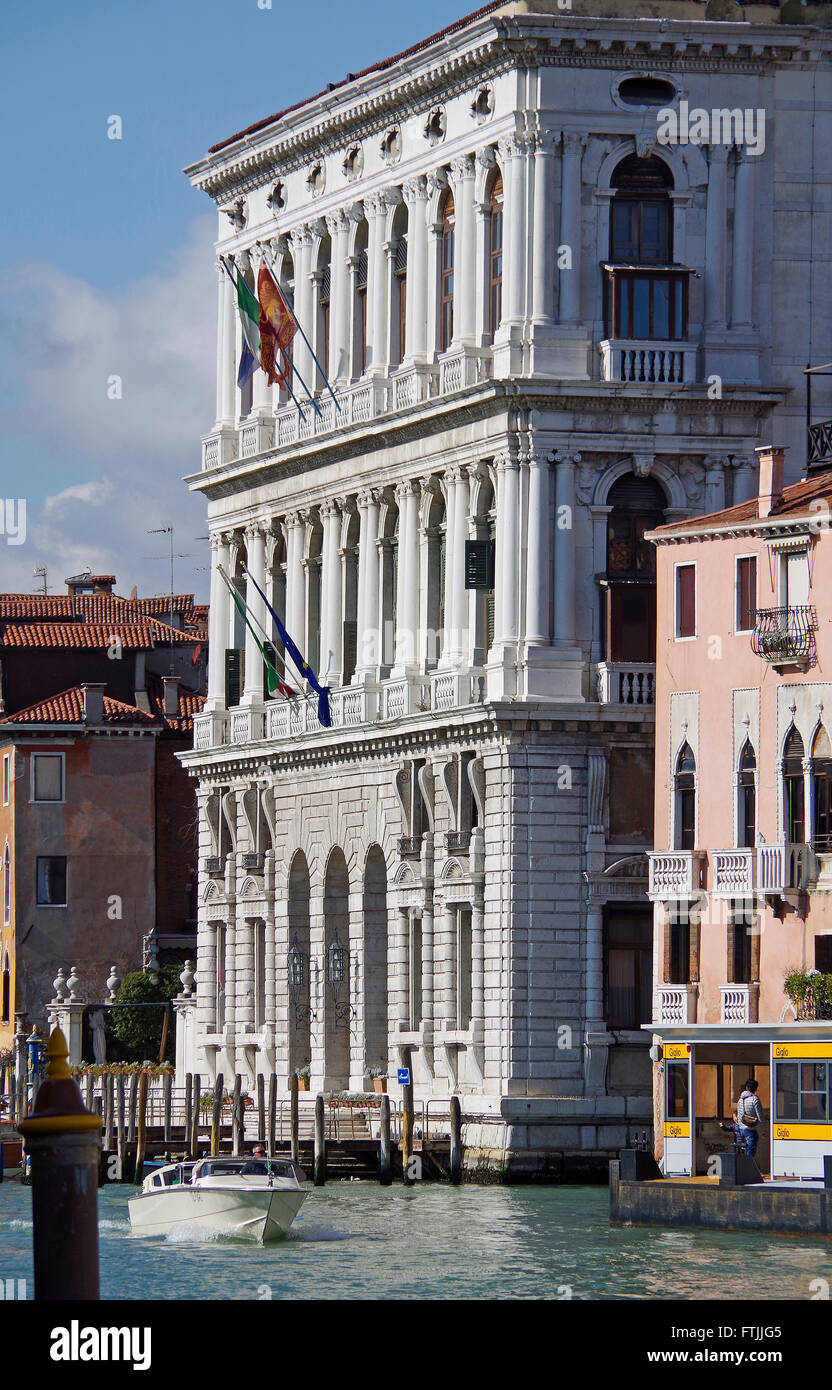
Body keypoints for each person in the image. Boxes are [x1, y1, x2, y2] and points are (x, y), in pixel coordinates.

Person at [736, 1078, 764, 1158]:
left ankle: (744, 1167)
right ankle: (748, 1167)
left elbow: (739, 1115)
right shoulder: (755, 1099)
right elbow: (760, 1116)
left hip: (741, 1129)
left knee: (742, 1152)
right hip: (750, 1130)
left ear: (746, 1088)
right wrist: (764, 1129)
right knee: (750, 1154)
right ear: (756, 1089)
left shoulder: (740, 1100)